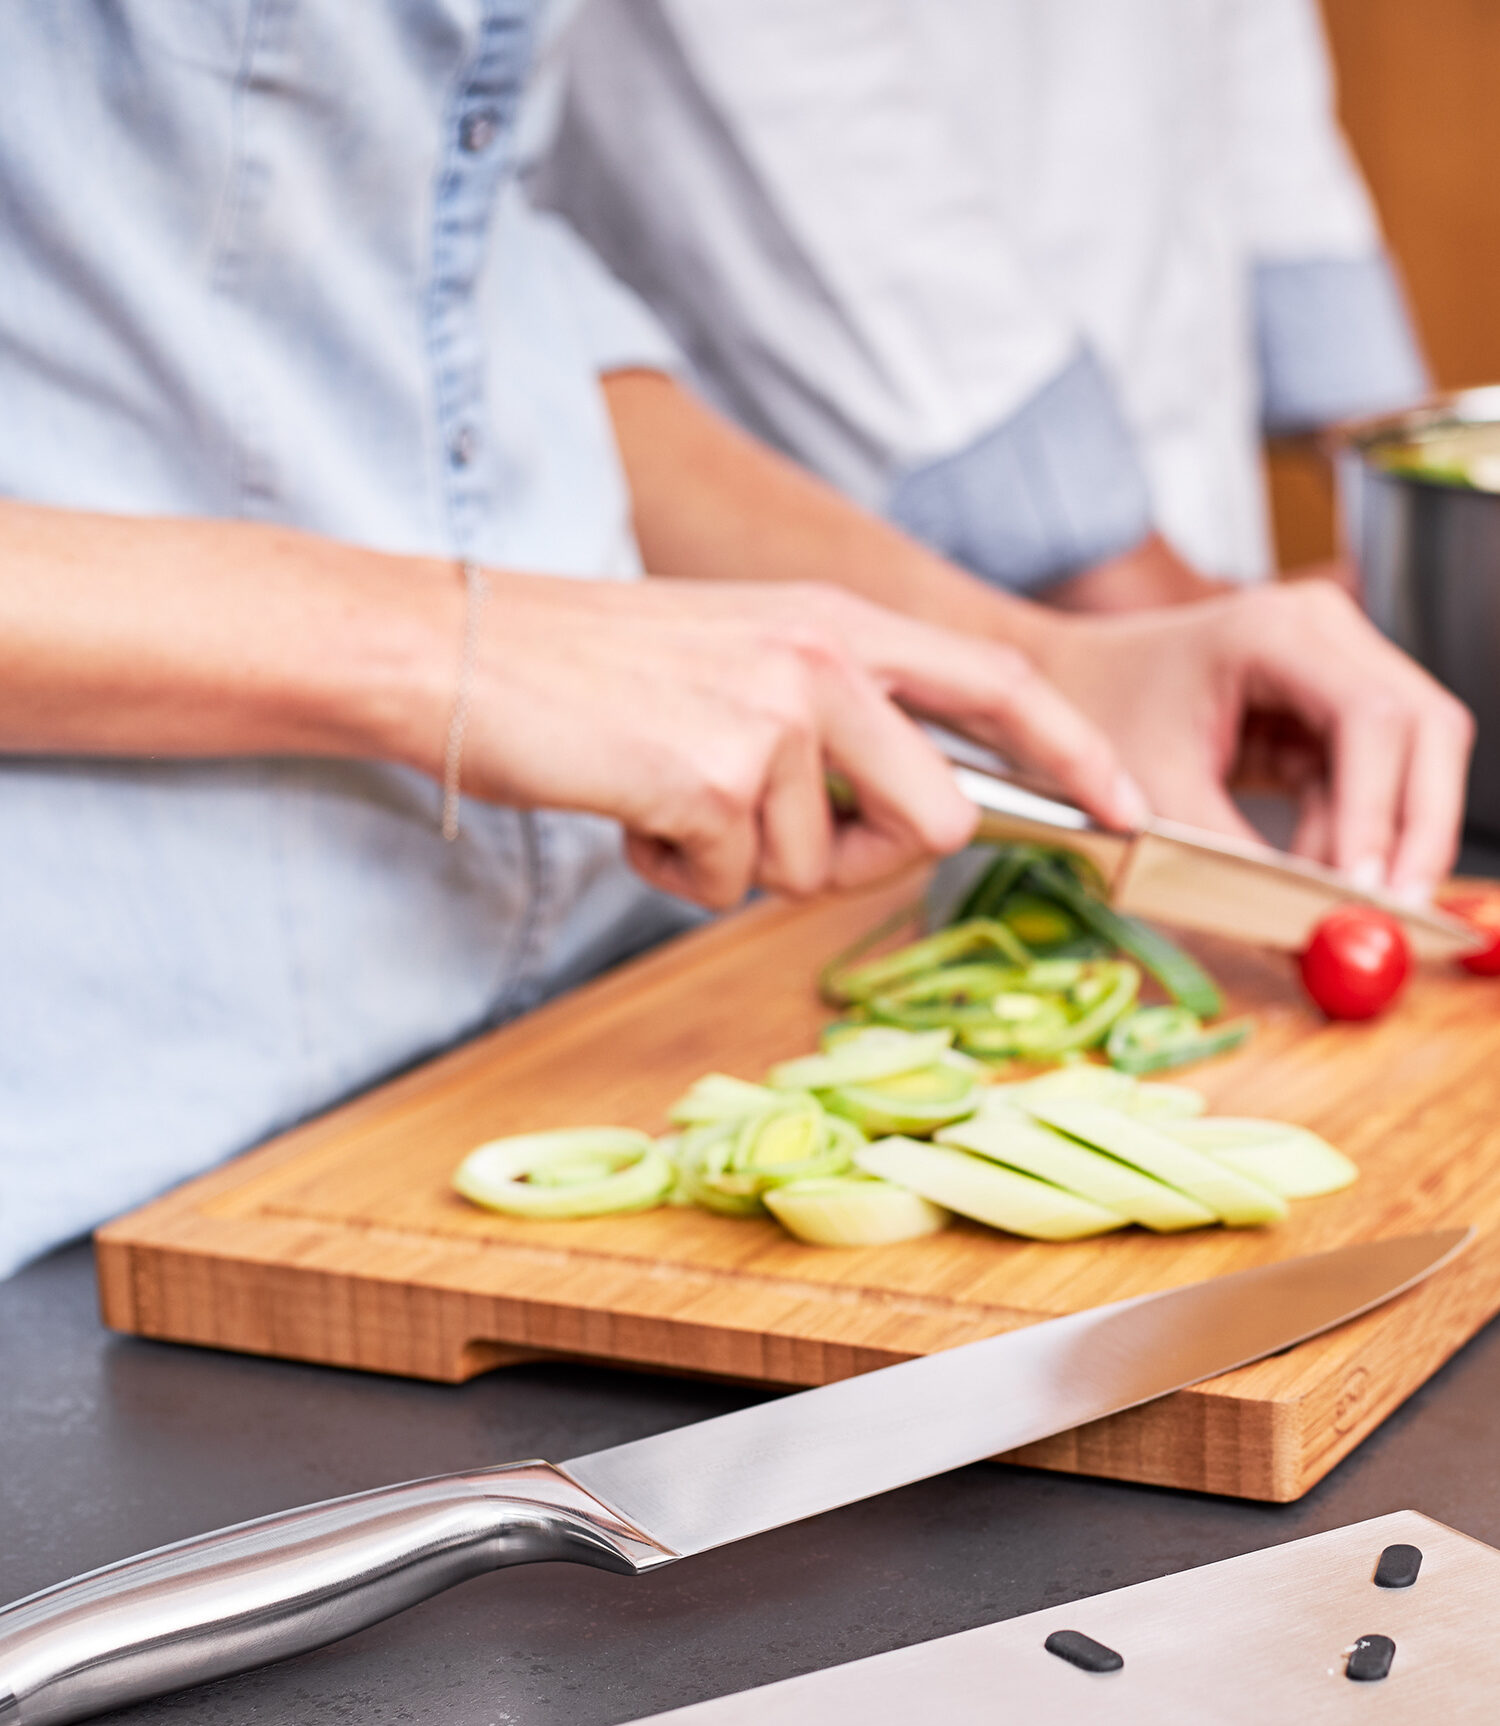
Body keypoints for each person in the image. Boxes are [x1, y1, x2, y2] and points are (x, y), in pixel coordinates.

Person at [0, 1, 1470, 1281]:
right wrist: (455, 650)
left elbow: (474, 291)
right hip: (104, 1148)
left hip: (566, 1046)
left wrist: (1033, 664)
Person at [539, 0, 1428, 611]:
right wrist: (1111, 580)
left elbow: (1235, 51)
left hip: (1171, 544)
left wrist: (1420, 489)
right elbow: (764, 72)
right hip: (850, 512)